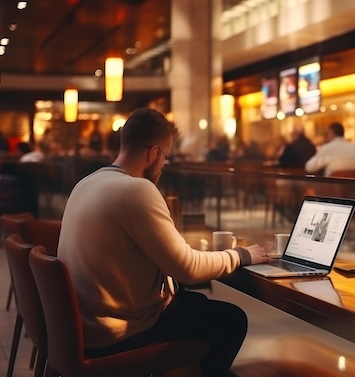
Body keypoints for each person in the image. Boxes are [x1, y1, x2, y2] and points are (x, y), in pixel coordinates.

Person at [57, 108, 270, 377]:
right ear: (154, 152)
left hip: (85, 323)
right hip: (120, 331)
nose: (163, 166)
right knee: (231, 320)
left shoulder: (87, 183)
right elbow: (187, 269)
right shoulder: (137, 189)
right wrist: (241, 254)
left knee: (195, 304)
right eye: (166, 158)